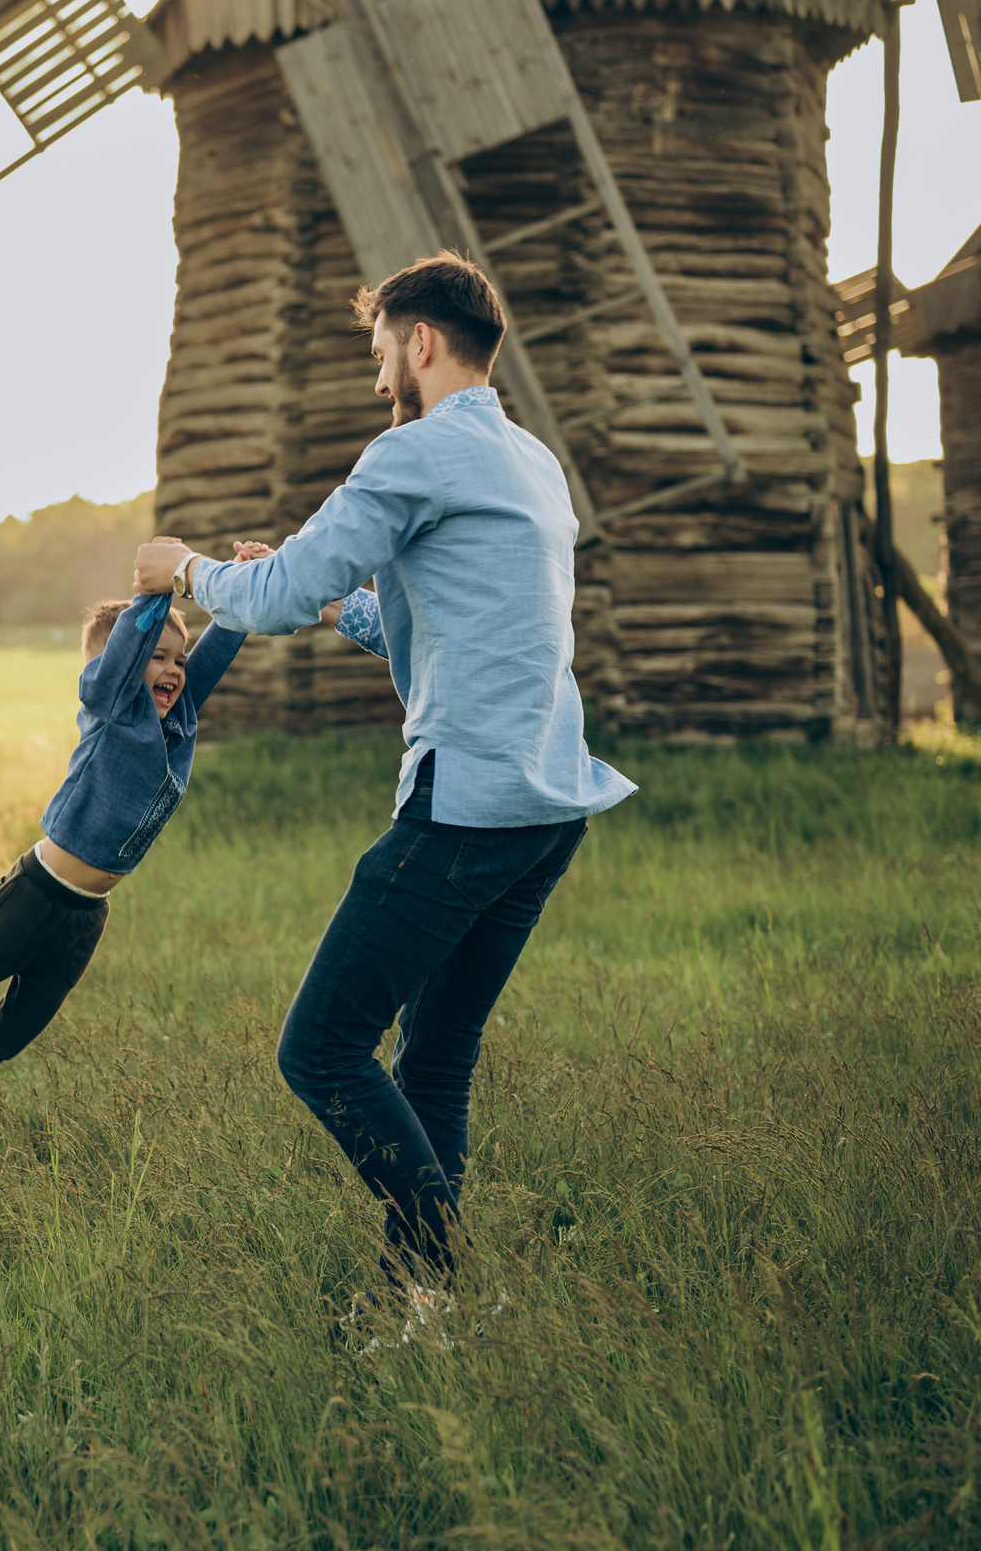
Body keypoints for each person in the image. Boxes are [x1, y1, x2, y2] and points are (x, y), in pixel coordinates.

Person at [134, 249, 634, 1296]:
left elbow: (259, 597)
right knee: (435, 1057)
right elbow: (462, 615)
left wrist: (181, 568)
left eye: (378, 355)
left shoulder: (408, 457)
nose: (374, 383)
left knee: (318, 1049)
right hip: (547, 802)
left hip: (466, 808)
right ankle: (426, 1308)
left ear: (420, 342)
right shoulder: (530, 462)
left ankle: (443, 1265)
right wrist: (333, 603)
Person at [0, 548, 271, 1144]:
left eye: (178, 659)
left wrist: (244, 580)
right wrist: (159, 590)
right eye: (157, 658)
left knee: (39, 1002)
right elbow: (124, 657)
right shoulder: (111, 704)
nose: (172, 669)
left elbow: (220, 645)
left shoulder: (179, 719)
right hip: (40, 887)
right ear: (120, 665)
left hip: (89, 907)